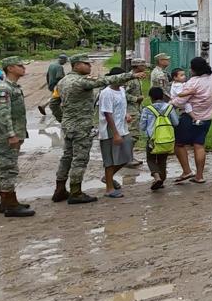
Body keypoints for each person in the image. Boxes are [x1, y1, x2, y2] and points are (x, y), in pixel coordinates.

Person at [53, 55, 143, 204]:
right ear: (76, 65)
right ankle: (75, 192)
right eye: (86, 64)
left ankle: (60, 189)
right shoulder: (81, 81)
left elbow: (54, 103)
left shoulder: (62, 82)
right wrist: (131, 75)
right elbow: (105, 80)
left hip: (69, 126)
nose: (89, 67)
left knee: (67, 157)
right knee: (79, 160)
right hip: (81, 127)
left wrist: (62, 119)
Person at [0, 57, 34, 217]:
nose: (23, 68)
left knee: (7, 169)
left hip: (13, 134)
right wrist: (11, 135)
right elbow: (2, 115)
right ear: (10, 68)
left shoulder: (13, 87)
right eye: (20, 66)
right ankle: (11, 204)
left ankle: (5, 201)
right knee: (9, 169)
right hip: (6, 137)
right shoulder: (4, 89)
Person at [171, 57, 212, 184]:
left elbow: (181, 101)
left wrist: (171, 103)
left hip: (188, 117)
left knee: (179, 144)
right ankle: (199, 175)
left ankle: (187, 170)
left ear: (194, 69)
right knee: (199, 145)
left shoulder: (193, 82)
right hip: (206, 117)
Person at [97, 67, 133, 199]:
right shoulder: (107, 93)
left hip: (122, 128)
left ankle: (108, 177)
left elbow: (121, 106)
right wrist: (115, 133)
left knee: (127, 156)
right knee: (110, 160)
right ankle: (109, 188)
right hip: (110, 130)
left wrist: (126, 114)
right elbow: (107, 113)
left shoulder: (122, 90)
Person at [140, 87, 179, 191]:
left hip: (152, 139)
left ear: (151, 98)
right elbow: (176, 123)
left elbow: (143, 126)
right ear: (163, 96)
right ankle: (162, 180)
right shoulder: (169, 108)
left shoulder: (147, 109)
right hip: (166, 139)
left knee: (151, 159)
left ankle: (156, 176)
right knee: (163, 159)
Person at [124, 58, 148, 167]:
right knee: (132, 135)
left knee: (135, 135)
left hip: (136, 109)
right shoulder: (130, 79)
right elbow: (122, 94)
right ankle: (127, 159)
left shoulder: (136, 78)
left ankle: (129, 156)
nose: (144, 67)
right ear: (137, 66)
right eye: (143, 66)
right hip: (131, 110)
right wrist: (135, 98)